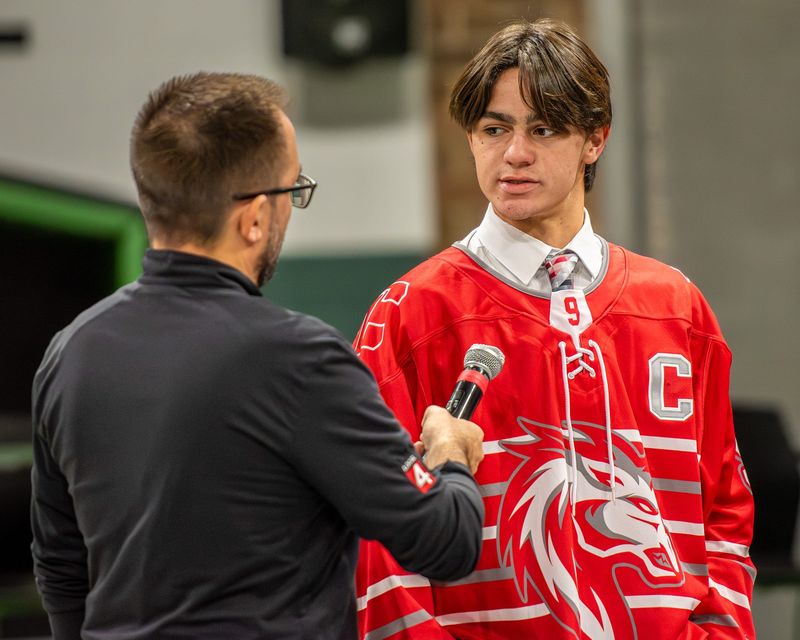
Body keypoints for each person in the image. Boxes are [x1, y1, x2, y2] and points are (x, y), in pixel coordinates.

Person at [30, 72, 487, 640]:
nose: (291, 208)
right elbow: (446, 542)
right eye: (293, 189)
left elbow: (60, 566)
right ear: (251, 217)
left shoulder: (71, 352)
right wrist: (449, 455)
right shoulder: (299, 361)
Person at [354, 18, 756, 640]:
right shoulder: (411, 312)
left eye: (543, 128)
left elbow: (725, 508)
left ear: (595, 139)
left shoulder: (676, 306)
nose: (514, 153)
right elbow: (371, 538)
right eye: (494, 129)